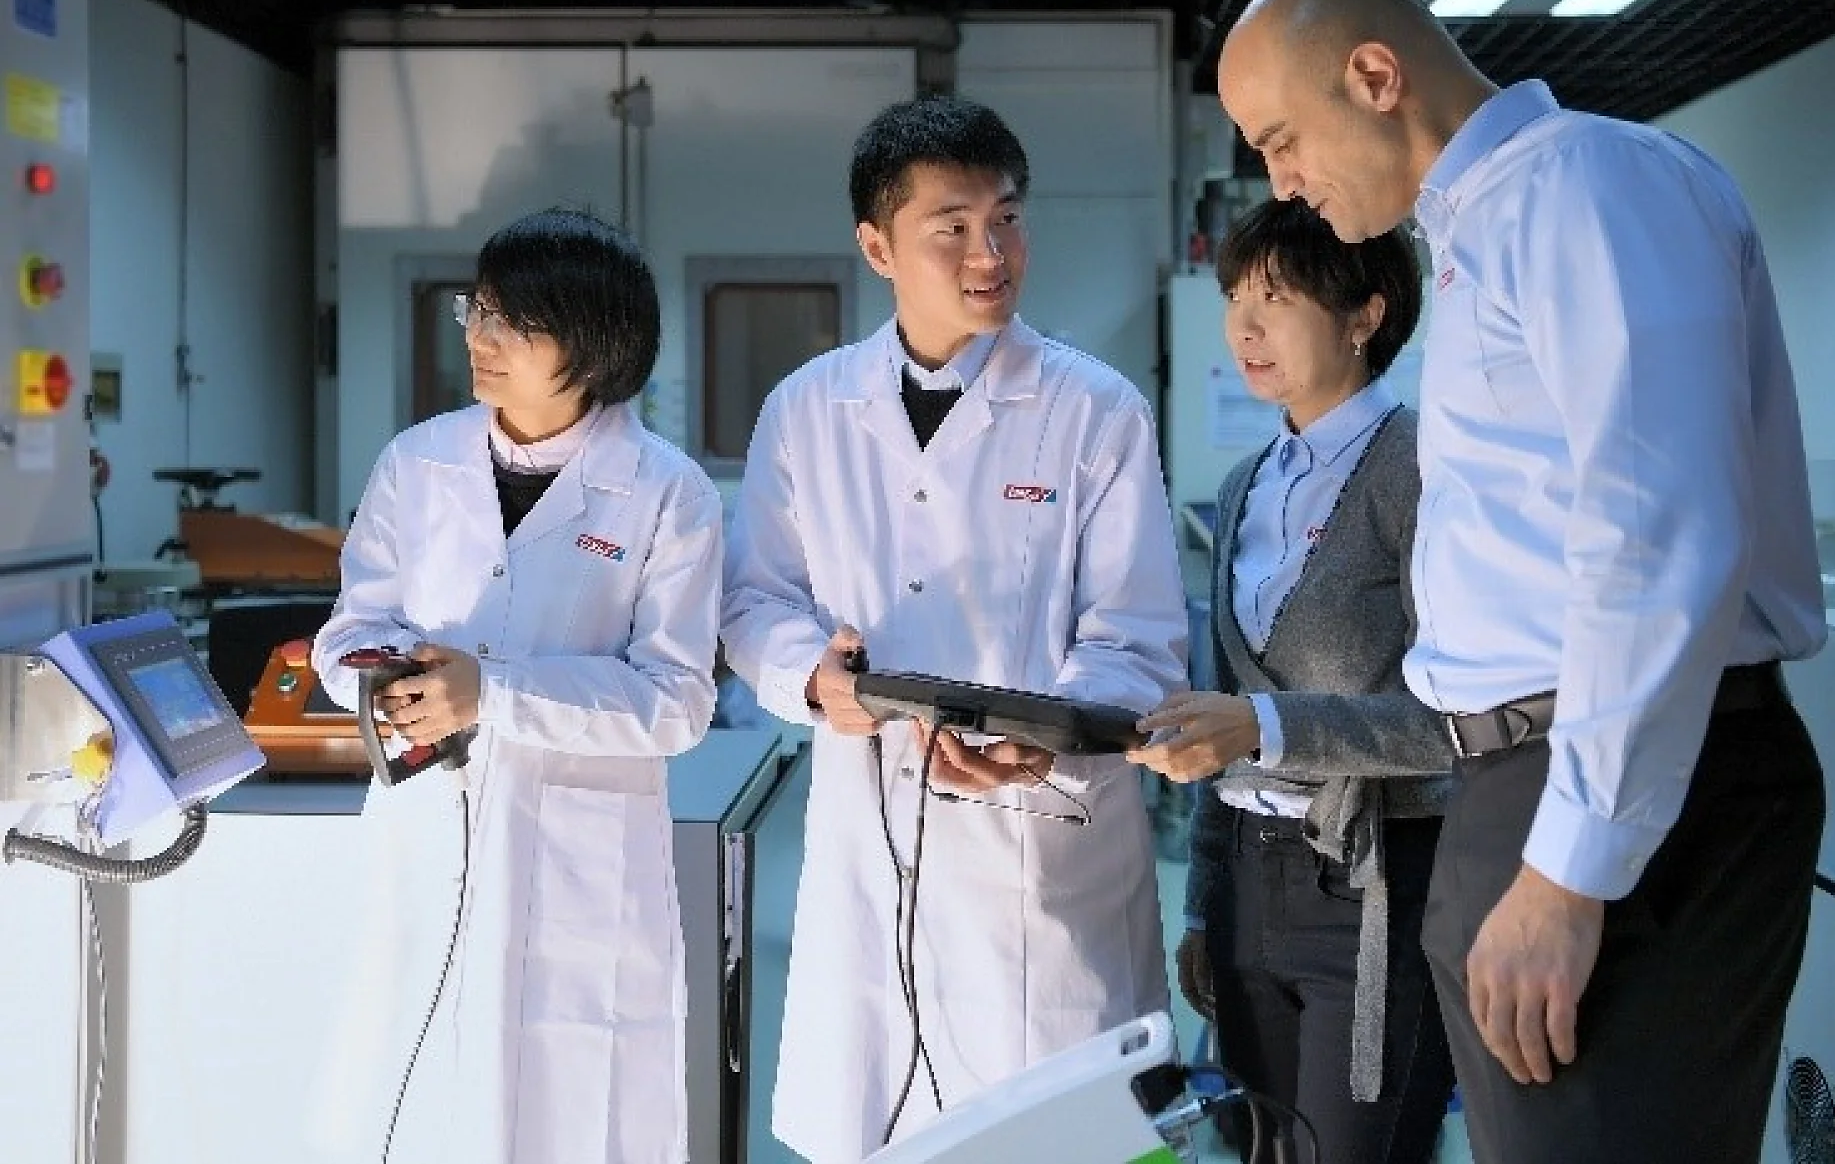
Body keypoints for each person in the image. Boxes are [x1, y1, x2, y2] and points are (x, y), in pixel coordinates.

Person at [1214, 0, 1827, 1164]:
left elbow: (1655, 531)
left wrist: (1569, 869)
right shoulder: (1478, 229)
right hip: (1520, 783)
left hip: (1612, 795)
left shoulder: (1586, 187)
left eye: (1282, 139)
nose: (1279, 182)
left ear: (1375, 75)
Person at [720, 94, 1188, 1163]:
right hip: (870, 831)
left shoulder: (1095, 409)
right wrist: (814, 679)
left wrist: (1052, 729)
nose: (992, 253)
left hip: (1042, 837)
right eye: (953, 227)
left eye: (1008, 218)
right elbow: (756, 605)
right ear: (877, 245)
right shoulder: (806, 408)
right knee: (882, 1124)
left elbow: (1135, 633)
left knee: (1061, 1140)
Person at [313, 208, 720, 1164]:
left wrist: (490, 690)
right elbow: (351, 631)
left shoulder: (668, 491)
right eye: (478, 310)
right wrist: (385, 679)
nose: (478, 339)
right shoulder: (417, 464)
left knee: (574, 1115)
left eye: (511, 321)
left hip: (579, 865)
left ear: (594, 344)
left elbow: (676, 699)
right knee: (409, 1093)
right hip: (427, 832)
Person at [1131, 197, 1454, 1164]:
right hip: (1248, 890)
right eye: (1235, 297)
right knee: (1260, 1146)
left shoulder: (1421, 467)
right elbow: (1222, 717)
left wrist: (1264, 723)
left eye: (1276, 298)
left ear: (1366, 313)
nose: (1244, 327)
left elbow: (1456, 722)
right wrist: (1201, 906)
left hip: (1381, 880)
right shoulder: (1245, 485)